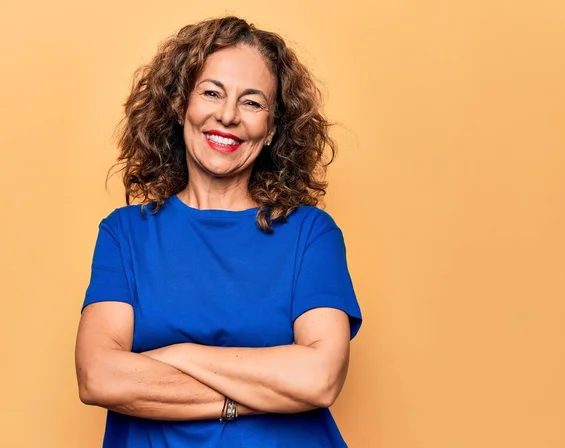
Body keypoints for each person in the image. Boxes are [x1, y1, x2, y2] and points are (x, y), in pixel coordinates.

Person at [75, 16, 362, 448]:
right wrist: (260, 392)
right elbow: (99, 378)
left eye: (252, 102)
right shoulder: (125, 233)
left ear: (272, 130)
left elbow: (319, 379)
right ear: (179, 106)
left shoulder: (310, 234)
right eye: (211, 93)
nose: (227, 115)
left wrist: (179, 356)